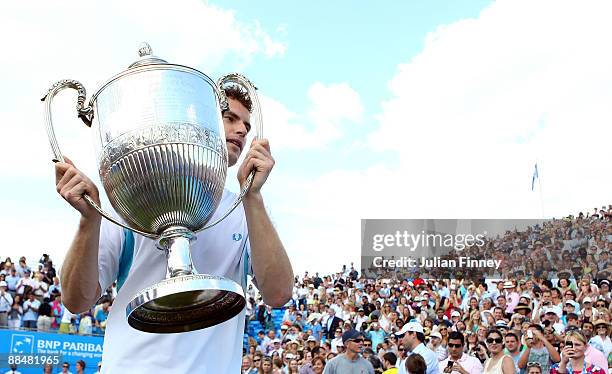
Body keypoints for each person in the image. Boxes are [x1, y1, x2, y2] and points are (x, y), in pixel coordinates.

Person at [54, 85, 293, 372]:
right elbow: (76, 300)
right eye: (230, 118)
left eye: (246, 124)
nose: (242, 130)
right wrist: (88, 220)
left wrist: (253, 196)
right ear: (198, 120)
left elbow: (278, 294)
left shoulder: (245, 211)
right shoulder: (134, 198)